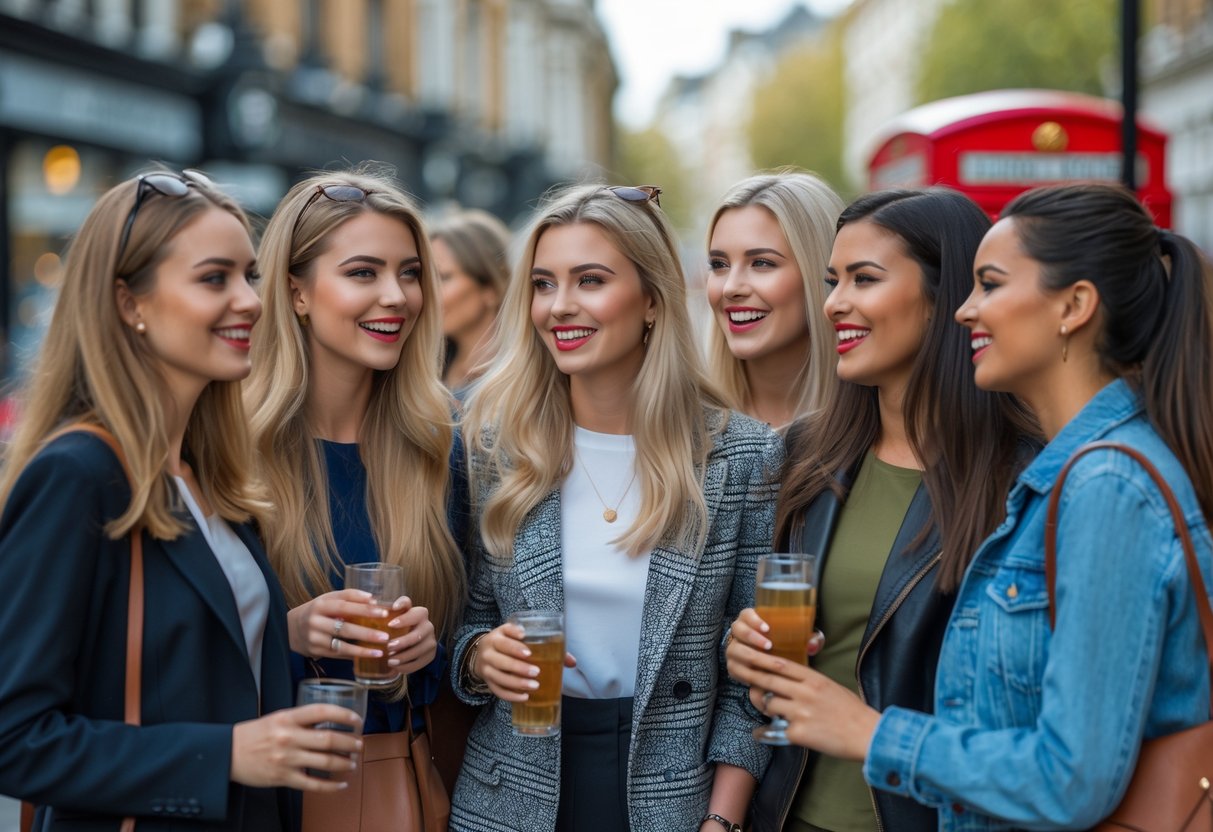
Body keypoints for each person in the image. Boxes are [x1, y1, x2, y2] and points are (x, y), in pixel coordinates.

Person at [731, 183, 1213, 829]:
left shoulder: (1103, 484)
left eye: (987, 285)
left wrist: (872, 734)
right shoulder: (1068, 475)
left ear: (1073, 306)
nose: (967, 310)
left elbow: (1069, 778)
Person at [0, 170, 362, 829]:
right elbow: (14, 737)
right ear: (127, 302)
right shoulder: (80, 474)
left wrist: (281, 633)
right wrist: (223, 754)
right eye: (213, 278)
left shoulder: (211, 475)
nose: (250, 301)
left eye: (250, 276)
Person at [451, 183, 784, 832]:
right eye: (543, 284)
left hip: (673, 799)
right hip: (512, 792)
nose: (560, 306)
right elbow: (464, 621)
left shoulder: (737, 455)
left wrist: (721, 821)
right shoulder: (492, 444)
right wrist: (478, 656)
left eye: (590, 280)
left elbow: (753, 675)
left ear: (653, 300)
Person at [727, 188, 1036, 832]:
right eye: (832, 280)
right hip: (786, 815)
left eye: (864, 280)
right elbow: (787, 661)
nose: (835, 302)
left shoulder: (1027, 475)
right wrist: (748, 653)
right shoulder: (807, 451)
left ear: (945, 297)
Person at [245, 169, 467, 794]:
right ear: (297, 293)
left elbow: (467, 659)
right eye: (363, 273)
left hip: (392, 783)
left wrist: (430, 655)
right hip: (259, 796)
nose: (396, 296)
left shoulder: (439, 442)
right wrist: (284, 634)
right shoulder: (230, 446)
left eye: (411, 272)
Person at [705, 171, 845, 428]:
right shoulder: (685, 428)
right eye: (719, 264)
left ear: (820, 275)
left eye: (761, 263)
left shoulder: (882, 428)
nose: (730, 288)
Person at [430, 208, 512, 393]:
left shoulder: (524, 377)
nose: (428, 292)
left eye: (443, 277)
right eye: (425, 279)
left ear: (492, 288)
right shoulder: (424, 371)